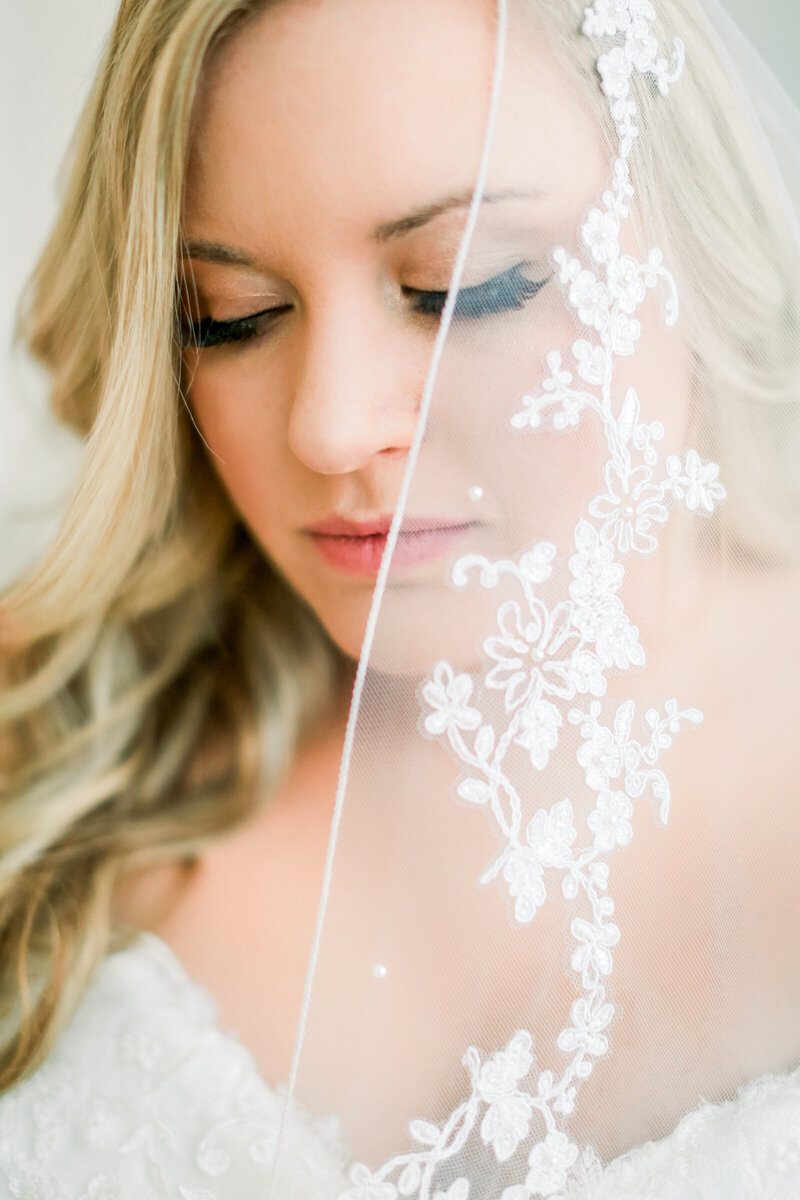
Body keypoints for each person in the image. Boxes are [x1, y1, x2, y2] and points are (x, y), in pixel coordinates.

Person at [0, 0, 798, 1195]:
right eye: (227, 318)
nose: (327, 426)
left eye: (462, 288)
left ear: (688, 239)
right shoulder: (60, 732)